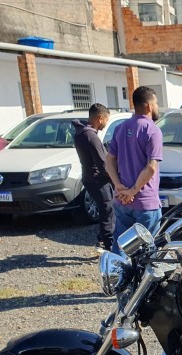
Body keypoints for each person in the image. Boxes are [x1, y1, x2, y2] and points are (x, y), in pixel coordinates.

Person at [106, 86, 163, 252]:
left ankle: (117, 269)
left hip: (122, 201)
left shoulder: (120, 128)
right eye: (156, 103)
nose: (157, 107)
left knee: (121, 247)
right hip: (145, 202)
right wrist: (132, 191)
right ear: (149, 106)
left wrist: (118, 186)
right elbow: (151, 167)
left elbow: (109, 160)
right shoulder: (152, 130)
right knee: (148, 252)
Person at [73, 103, 114, 252]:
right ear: (100, 118)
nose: (106, 123)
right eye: (106, 120)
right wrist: (116, 180)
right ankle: (108, 245)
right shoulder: (91, 136)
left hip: (89, 177)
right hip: (98, 179)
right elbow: (103, 165)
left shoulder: (80, 133)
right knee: (108, 210)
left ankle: (102, 239)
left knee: (104, 210)